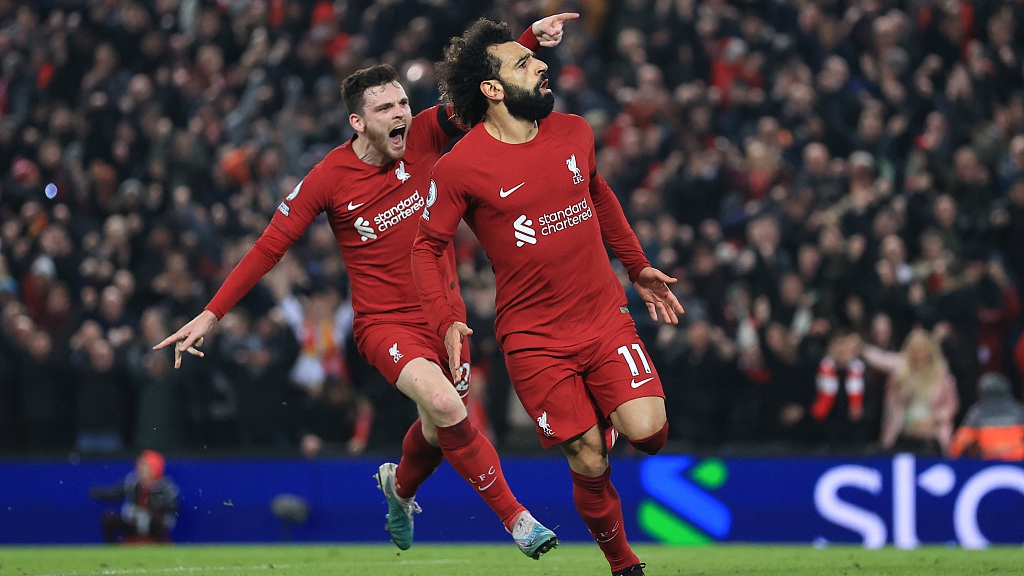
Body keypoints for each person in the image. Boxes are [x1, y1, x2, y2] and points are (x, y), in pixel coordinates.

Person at [153, 13, 580, 559]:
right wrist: (211, 314)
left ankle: (398, 488)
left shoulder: (427, 132)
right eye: (385, 109)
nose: (401, 114)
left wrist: (525, 42)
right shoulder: (330, 177)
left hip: (447, 318)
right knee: (448, 408)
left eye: (402, 102)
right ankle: (517, 520)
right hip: (385, 325)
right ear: (357, 122)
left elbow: (483, 90)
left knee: (434, 425)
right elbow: (268, 247)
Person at [412, 18, 685, 576]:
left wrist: (637, 266)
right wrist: (445, 320)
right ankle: (624, 565)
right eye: (523, 63)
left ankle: (605, 417)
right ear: (492, 91)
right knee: (587, 456)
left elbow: (598, 194)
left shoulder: (574, 132)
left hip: (604, 316)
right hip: (534, 338)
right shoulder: (460, 167)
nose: (540, 64)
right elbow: (425, 247)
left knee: (650, 434)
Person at [860, 327, 960, 455]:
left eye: (922, 349)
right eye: (916, 350)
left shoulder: (941, 374)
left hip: (933, 434)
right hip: (903, 432)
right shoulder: (901, 370)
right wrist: (862, 348)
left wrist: (934, 419)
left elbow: (952, 404)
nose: (919, 354)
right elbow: (881, 360)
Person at [89, 449, 179, 544]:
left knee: (158, 521)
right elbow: (115, 493)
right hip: (134, 519)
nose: (142, 469)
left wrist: (157, 503)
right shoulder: (132, 482)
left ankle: (160, 545)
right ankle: (112, 549)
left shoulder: (165, 486)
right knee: (109, 518)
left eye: (146, 466)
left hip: (153, 522)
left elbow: (173, 506)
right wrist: (100, 494)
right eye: (141, 465)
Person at [950, 372, 1024, 460]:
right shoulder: (1018, 410)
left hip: (988, 462)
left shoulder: (977, 412)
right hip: (1017, 463)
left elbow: (958, 445)